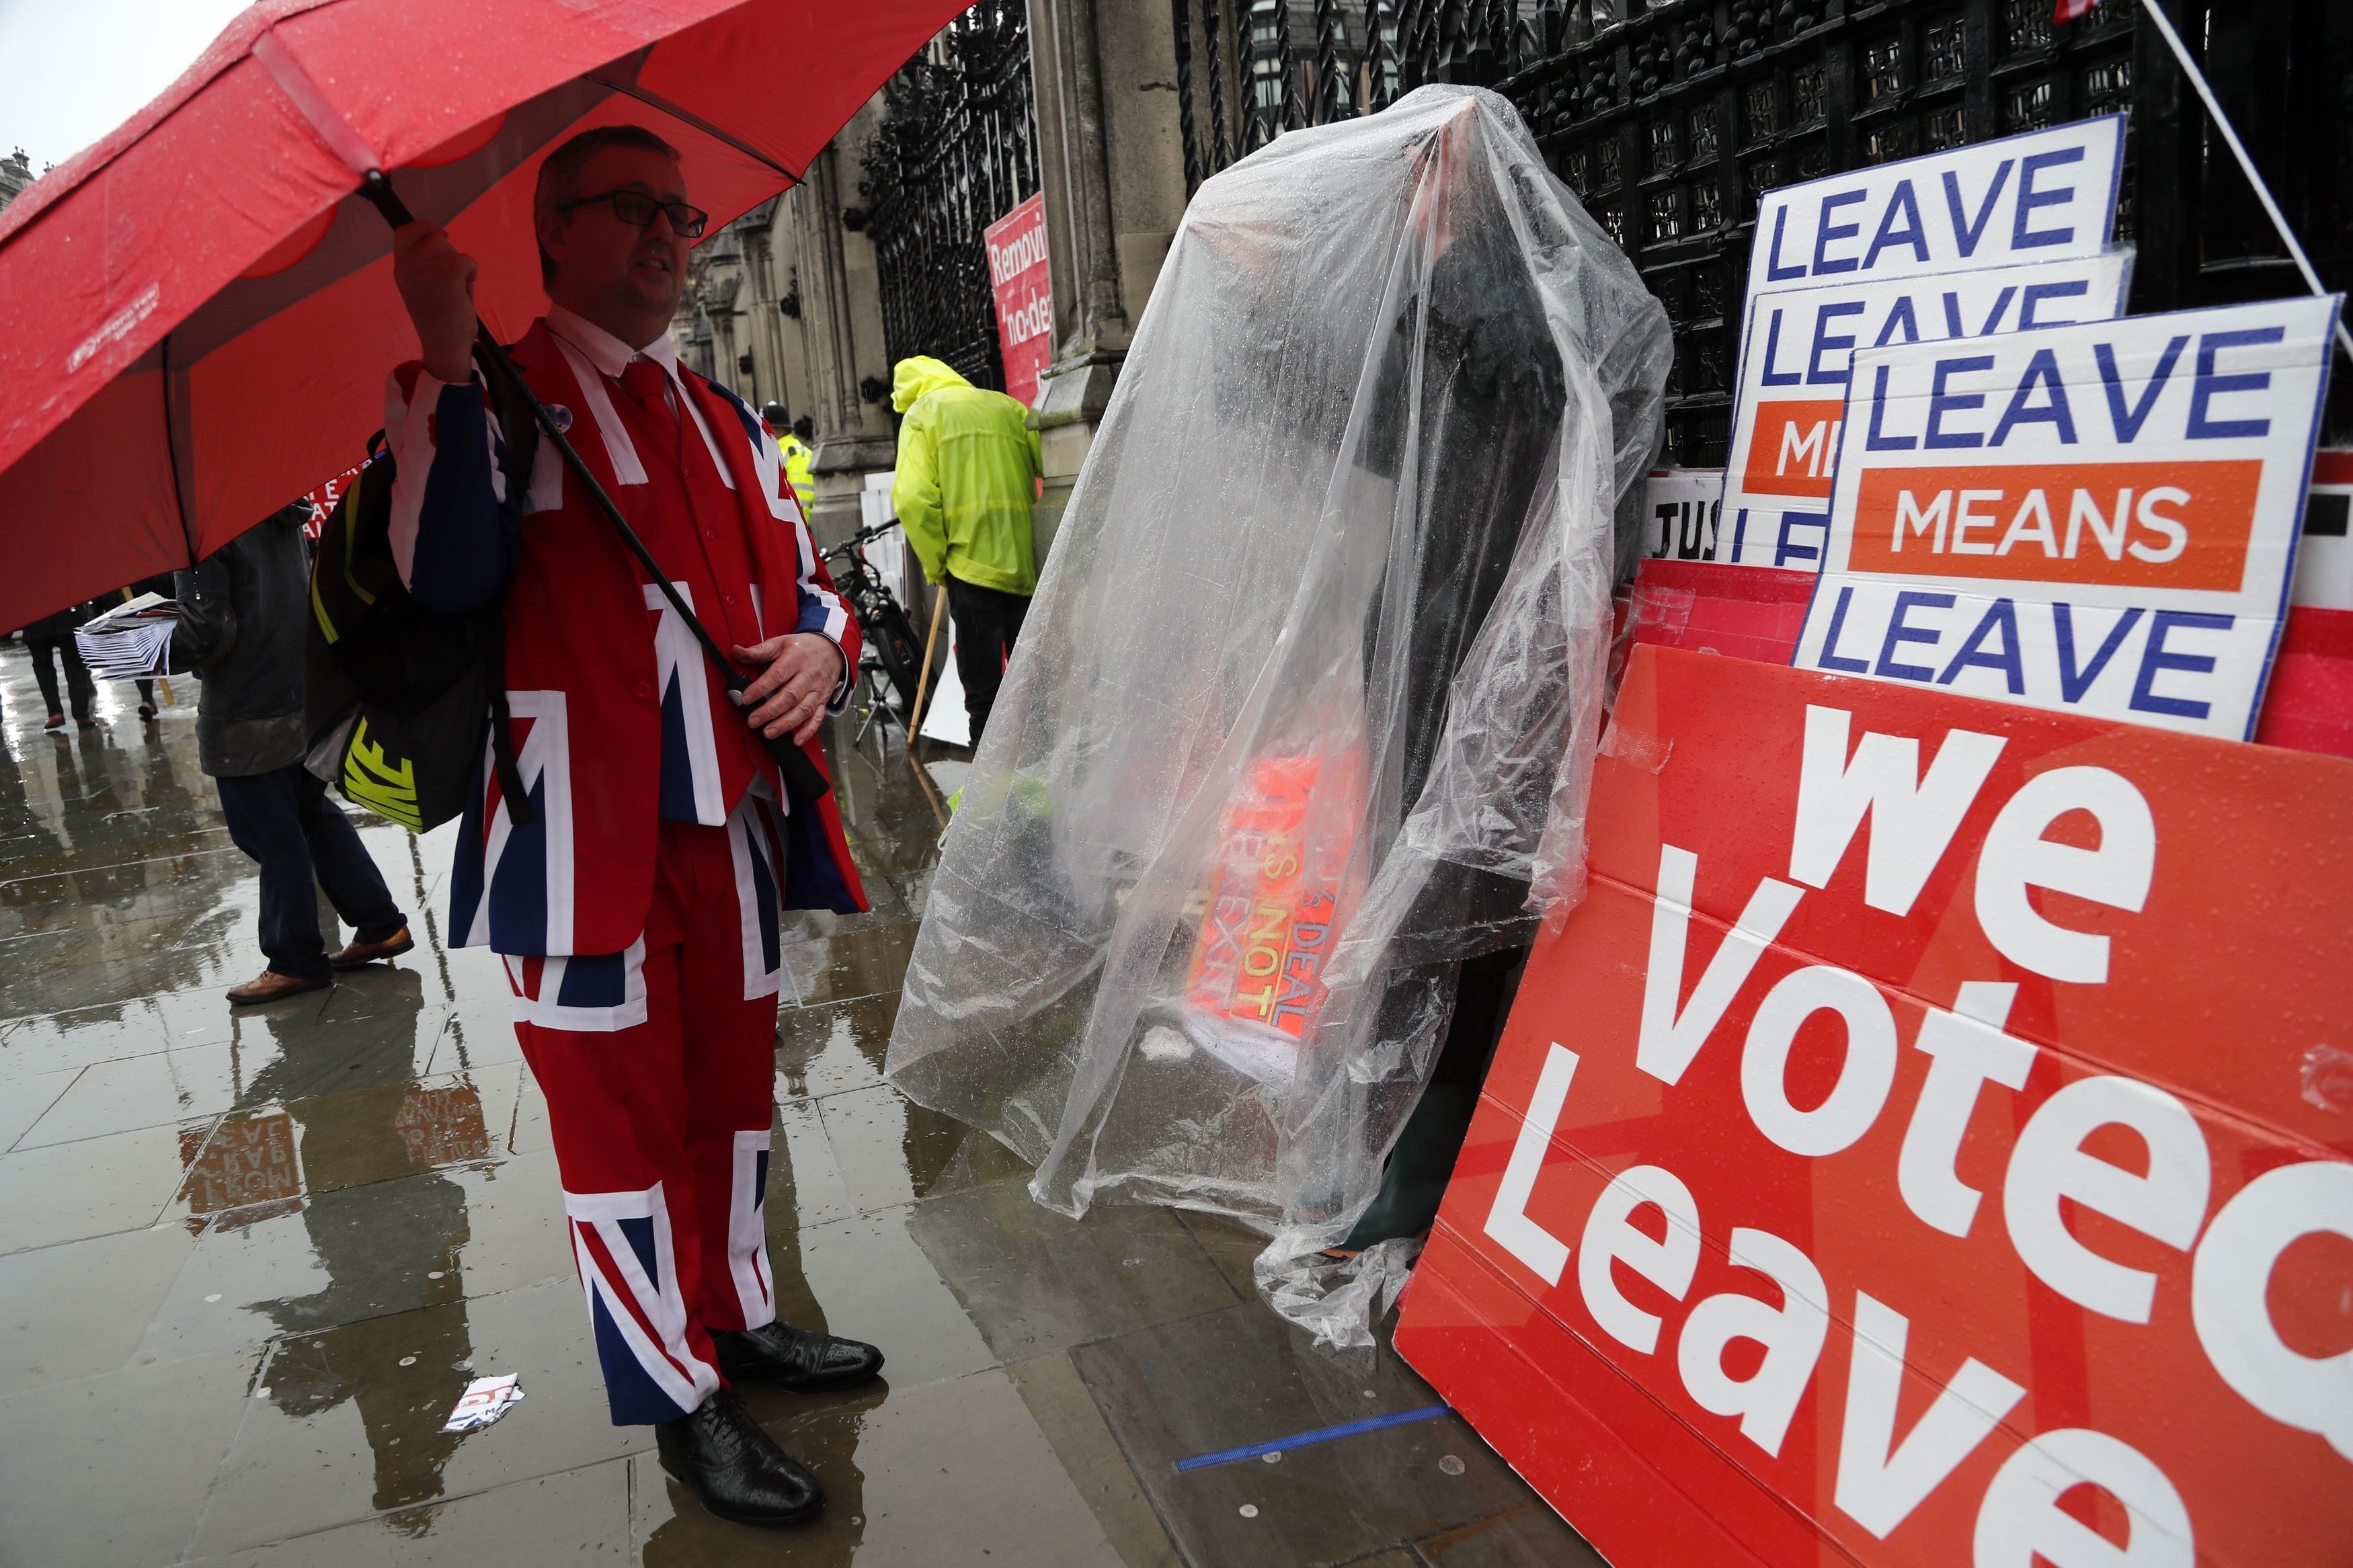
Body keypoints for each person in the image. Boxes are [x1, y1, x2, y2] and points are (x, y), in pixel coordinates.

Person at [387, 123, 881, 1530]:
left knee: (730, 1110)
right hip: (573, 848)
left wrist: (825, 655)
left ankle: (735, 1319)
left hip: (727, 829)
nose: (670, 234)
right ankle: (677, 1397)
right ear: (550, 236)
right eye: (630, 209)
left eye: (680, 209)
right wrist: (441, 351)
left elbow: (808, 578)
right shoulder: (495, 392)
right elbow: (443, 570)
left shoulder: (721, 416)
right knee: (620, 1134)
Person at [173, 504, 415, 1003]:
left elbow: (207, 631)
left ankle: (294, 958)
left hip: (243, 707)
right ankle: (380, 923)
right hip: (294, 691)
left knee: (269, 832)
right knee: (310, 814)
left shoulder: (204, 525)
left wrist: (142, 642)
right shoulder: (276, 507)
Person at [888, 355, 1042, 747]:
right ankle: (1044, 781)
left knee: (984, 697)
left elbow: (913, 500)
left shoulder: (923, 414)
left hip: (970, 570)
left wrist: (938, 563)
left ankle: (994, 799)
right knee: (1038, 692)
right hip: (1026, 568)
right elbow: (1045, 464)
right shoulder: (1006, 406)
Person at [22, 599, 98, 730]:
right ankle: (81, 715)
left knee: (43, 667)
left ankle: (55, 712)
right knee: (74, 664)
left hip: (34, 615)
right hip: (67, 612)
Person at [760, 401, 815, 511]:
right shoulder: (772, 451)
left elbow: (802, 497)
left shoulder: (796, 454)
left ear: (780, 430)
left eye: (765, 429)